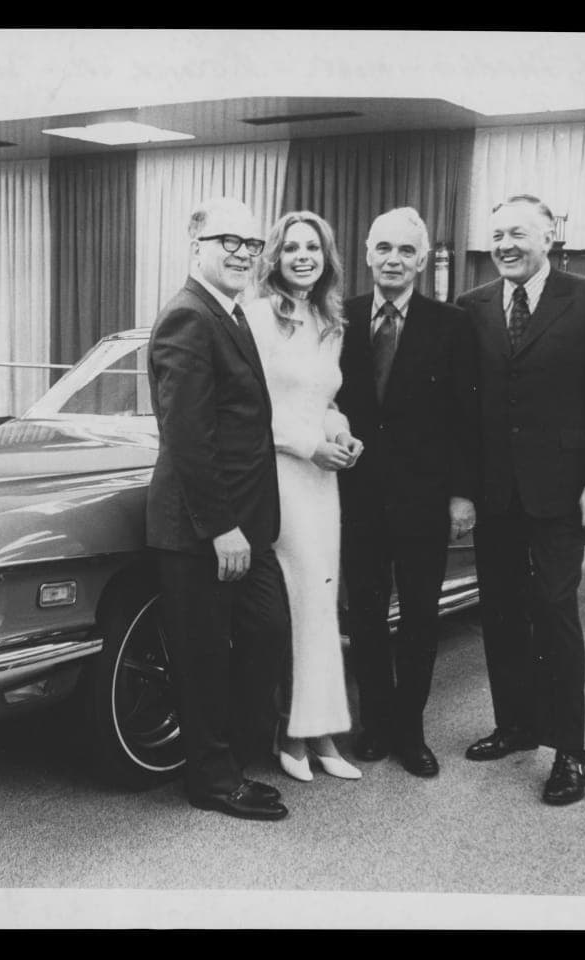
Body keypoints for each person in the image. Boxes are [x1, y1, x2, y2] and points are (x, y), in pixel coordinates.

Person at [456, 195, 585, 806]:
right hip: (495, 495)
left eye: (518, 233)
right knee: (500, 611)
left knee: (554, 610)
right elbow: (462, 409)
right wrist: (460, 491)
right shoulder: (472, 306)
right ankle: (516, 725)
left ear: (549, 236)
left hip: (561, 494)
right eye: (497, 233)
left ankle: (569, 750)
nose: (505, 244)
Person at [146, 197, 290, 821]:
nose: (241, 252)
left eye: (252, 244)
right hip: (203, 529)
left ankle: (228, 751)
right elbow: (189, 436)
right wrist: (223, 528)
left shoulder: (227, 313)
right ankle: (211, 780)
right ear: (195, 244)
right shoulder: (188, 316)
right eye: (228, 240)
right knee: (204, 657)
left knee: (265, 630)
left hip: (241, 525)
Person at [336, 207, 480, 778]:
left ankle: (411, 729)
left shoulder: (452, 324)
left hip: (425, 499)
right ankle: (374, 722)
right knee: (366, 617)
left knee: (421, 616)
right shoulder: (339, 318)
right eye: (383, 249)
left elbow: (467, 419)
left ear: (422, 261)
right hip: (357, 499)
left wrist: (463, 495)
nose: (393, 259)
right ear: (367, 254)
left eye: (405, 251)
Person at [244, 211, 364, 784]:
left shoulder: (328, 318)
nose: (301, 256)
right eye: (290, 247)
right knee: (296, 610)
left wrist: (339, 431)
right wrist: (312, 444)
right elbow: (254, 412)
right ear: (275, 255)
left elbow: (324, 398)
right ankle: (289, 730)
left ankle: (322, 733)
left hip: (322, 482)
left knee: (321, 606)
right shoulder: (261, 315)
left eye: (312, 247)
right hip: (281, 477)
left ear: (326, 256)